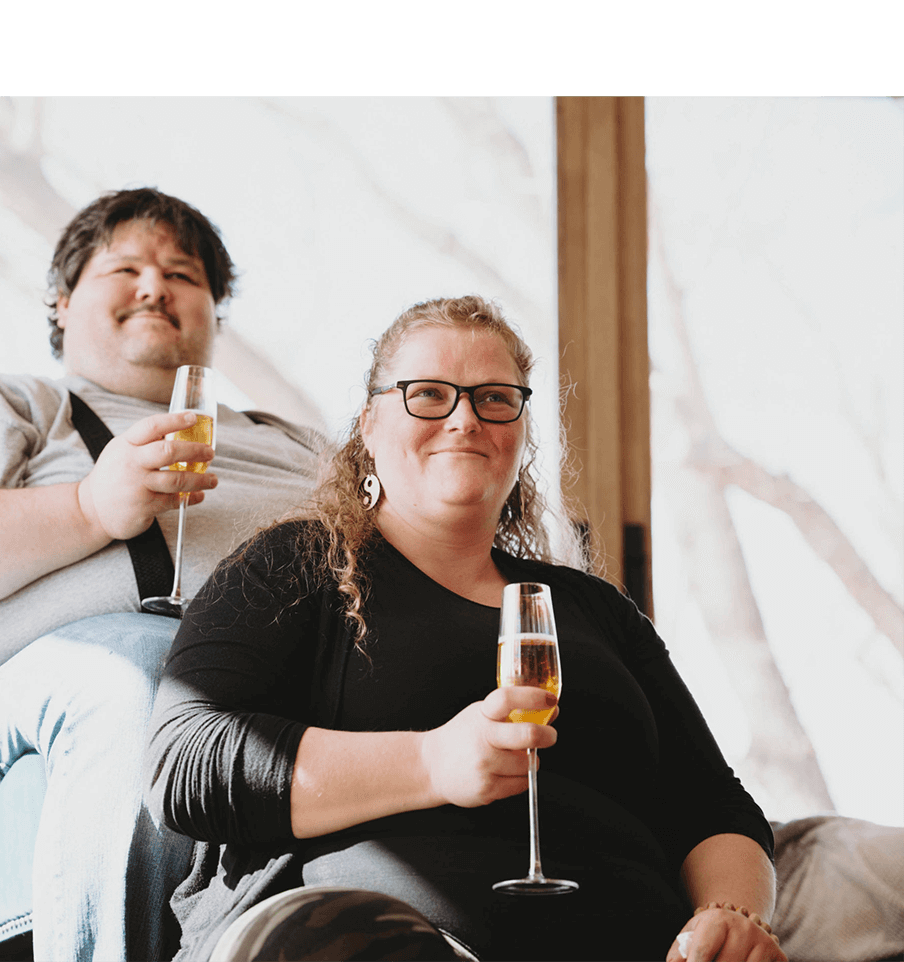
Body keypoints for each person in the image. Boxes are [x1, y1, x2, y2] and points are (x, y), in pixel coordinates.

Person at [144, 296, 785, 962]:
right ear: (368, 425)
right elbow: (185, 762)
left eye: (493, 399)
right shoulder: (295, 563)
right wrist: (429, 763)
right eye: (427, 394)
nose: (463, 418)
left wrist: (730, 914)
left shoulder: (597, 609)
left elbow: (713, 804)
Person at [0, 188, 323, 961]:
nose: (153, 286)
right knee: (135, 677)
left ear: (213, 316)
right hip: (82, 693)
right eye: (125, 267)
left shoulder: (296, 442)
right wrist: (89, 509)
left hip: (281, 702)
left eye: (182, 274)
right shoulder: (20, 405)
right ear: (62, 304)